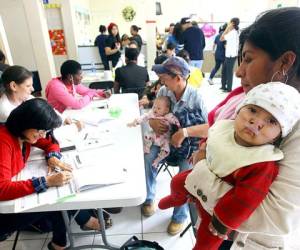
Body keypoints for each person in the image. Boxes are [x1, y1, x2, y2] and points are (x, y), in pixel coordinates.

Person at [179, 7, 300, 249]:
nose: (238, 71)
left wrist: (200, 170)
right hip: (214, 225)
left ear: (285, 62)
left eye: (248, 59)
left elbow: (275, 217)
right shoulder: (248, 100)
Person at [158, 82, 300, 249]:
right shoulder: (225, 128)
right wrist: (203, 148)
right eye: (253, 110)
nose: (257, 122)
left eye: (271, 121)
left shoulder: (261, 163)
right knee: (176, 181)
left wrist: (223, 221)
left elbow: (245, 199)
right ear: (239, 110)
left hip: (216, 212)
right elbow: (213, 138)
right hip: (200, 179)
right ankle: (178, 197)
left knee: (207, 240)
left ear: (277, 136)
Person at [142, 56, 207, 235]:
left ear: (178, 78)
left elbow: (210, 128)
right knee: (148, 157)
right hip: (164, 140)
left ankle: (179, 216)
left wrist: (184, 133)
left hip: (188, 146)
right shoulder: (164, 90)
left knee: (185, 175)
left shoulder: (196, 97)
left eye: (164, 77)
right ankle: (149, 198)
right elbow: (155, 111)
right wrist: (153, 123)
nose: (161, 81)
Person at [0, 98, 71, 250]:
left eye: (45, 131)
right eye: (41, 131)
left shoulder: (24, 135)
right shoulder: (3, 141)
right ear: (26, 123)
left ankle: (59, 242)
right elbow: (1, 189)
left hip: (11, 199)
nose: (43, 136)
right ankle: (60, 243)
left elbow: (51, 143)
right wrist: (46, 181)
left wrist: (52, 156)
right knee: (55, 203)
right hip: (2, 211)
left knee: (56, 202)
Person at [128, 96, 180, 167]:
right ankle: (147, 147)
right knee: (146, 135)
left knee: (166, 149)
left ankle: (157, 160)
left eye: (158, 108)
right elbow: (144, 117)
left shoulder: (169, 116)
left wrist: (179, 128)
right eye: (154, 107)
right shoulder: (153, 114)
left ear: (166, 110)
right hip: (154, 135)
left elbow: (176, 122)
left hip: (165, 139)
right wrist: (135, 122)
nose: (155, 110)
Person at [220, 18, 240, 92]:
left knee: (229, 72)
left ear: (232, 23)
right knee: (224, 70)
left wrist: (227, 28)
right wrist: (228, 29)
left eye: (230, 22)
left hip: (231, 55)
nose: (228, 23)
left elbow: (221, 38)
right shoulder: (233, 32)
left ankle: (229, 89)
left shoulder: (233, 33)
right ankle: (223, 86)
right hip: (229, 55)